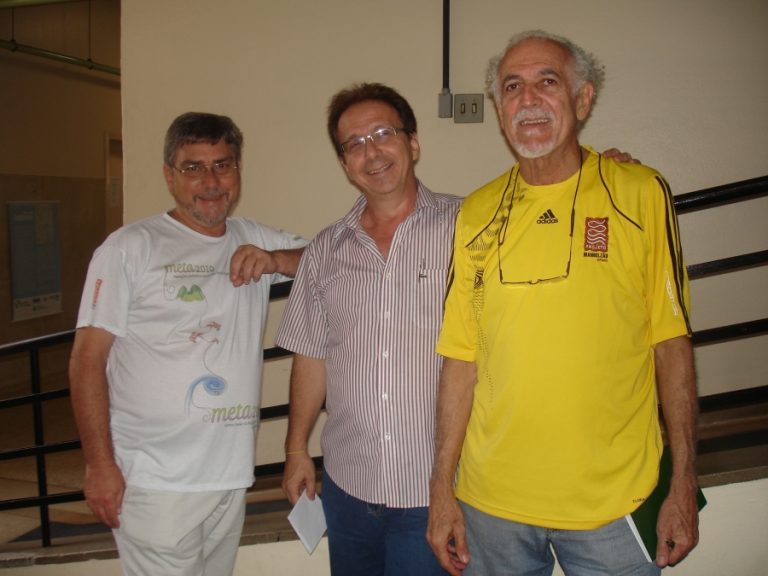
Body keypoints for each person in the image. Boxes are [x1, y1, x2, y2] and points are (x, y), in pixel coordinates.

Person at [276, 83, 636, 576]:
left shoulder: (474, 225)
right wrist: (296, 448)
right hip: (347, 491)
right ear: (344, 163)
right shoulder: (325, 250)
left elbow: (550, 215)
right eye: (354, 144)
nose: (371, 152)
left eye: (383, 134)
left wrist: (599, 175)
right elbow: (311, 355)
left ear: (413, 143)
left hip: (436, 492)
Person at [427, 30, 700, 576]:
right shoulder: (475, 213)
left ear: (583, 99)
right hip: (491, 507)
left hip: (614, 507)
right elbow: (460, 357)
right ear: (499, 110)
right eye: (512, 87)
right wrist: (440, 489)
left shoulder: (639, 193)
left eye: (546, 82)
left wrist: (684, 480)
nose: (527, 99)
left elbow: (671, 343)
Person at [68, 111, 305, 576]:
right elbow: (86, 361)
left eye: (222, 165)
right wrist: (98, 464)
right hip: (155, 483)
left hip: (229, 476)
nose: (210, 182)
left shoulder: (253, 237)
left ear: (238, 170)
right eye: (193, 167)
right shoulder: (129, 248)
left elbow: (333, 258)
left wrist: (276, 259)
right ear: (169, 175)